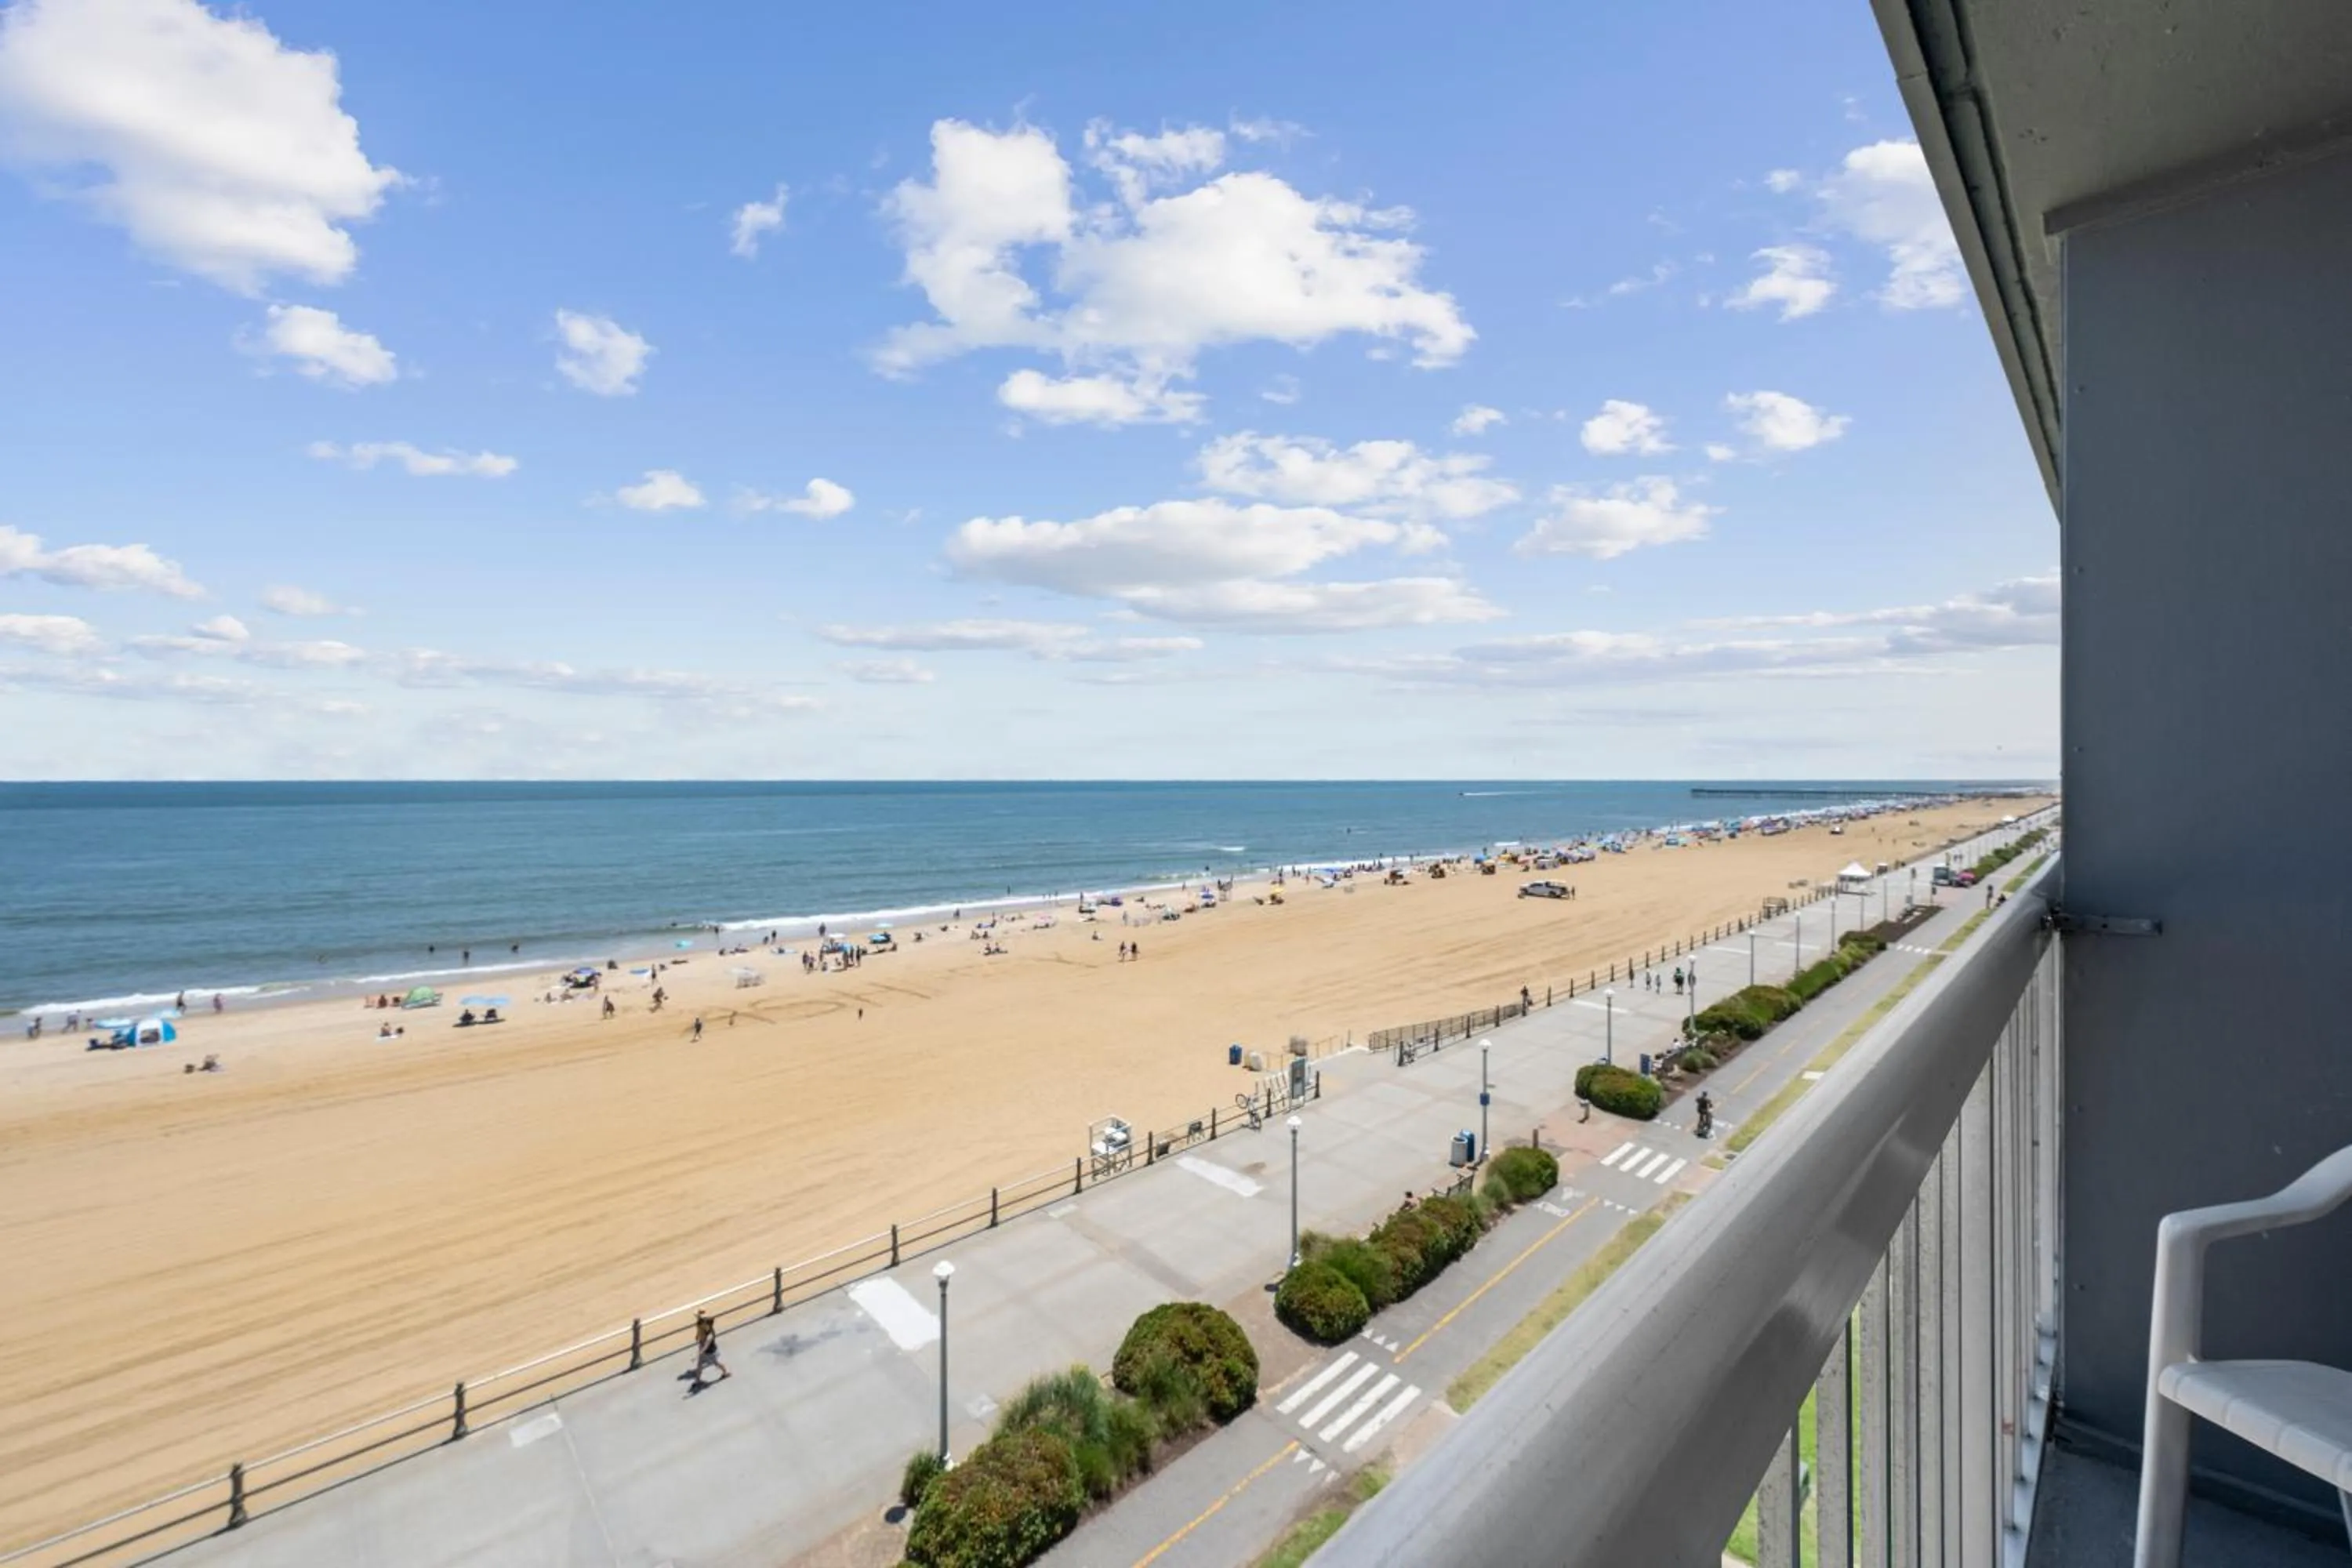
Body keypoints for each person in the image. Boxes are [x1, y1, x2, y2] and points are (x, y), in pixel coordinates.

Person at [692, 1310, 729, 1386]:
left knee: (716, 1363)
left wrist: (697, 1355)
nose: (703, 1323)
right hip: (704, 1350)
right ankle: (697, 1381)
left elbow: (705, 1346)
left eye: (704, 1323)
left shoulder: (710, 1335)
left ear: (708, 1325)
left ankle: (725, 1372)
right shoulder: (706, 1327)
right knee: (699, 1365)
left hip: (710, 1353)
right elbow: (700, 1319)